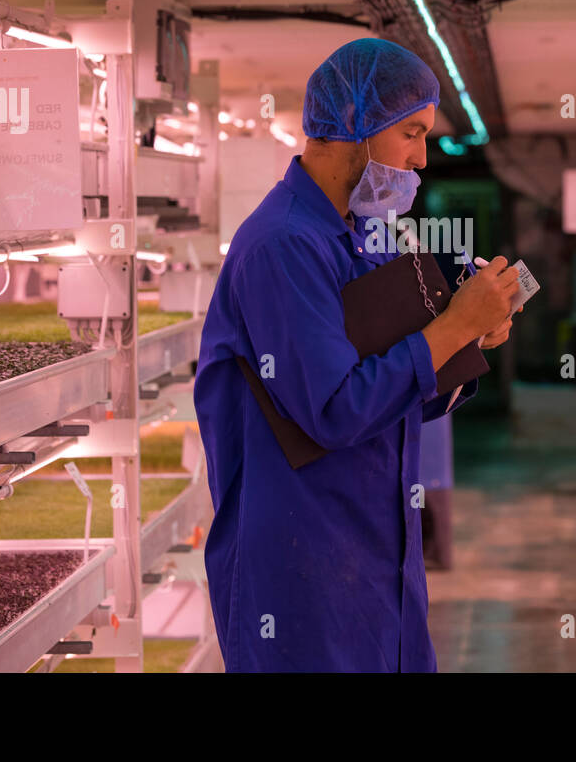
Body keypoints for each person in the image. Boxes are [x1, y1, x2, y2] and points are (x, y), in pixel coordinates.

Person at [194, 38, 520, 672]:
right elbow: (336, 409)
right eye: (411, 133)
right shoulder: (283, 245)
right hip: (302, 565)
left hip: (371, 553)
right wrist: (452, 327)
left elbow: (383, 389)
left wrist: (468, 338)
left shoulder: (354, 235)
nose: (422, 157)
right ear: (354, 124)